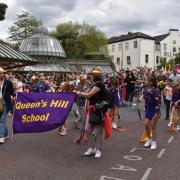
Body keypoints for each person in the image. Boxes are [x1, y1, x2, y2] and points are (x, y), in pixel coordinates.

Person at [75, 67, 108, 158]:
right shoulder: (95, 84)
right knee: (88, 129)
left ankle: (98, 149)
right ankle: (91, 148)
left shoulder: (99, 85)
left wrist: (78, 93)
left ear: (95, 76)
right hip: (91, 109)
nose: (91, 76)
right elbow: (89, 94)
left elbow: (89, 95)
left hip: (98, 110)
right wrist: (84, 91)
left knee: (97, 130)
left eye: (92, 75)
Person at [143, 76, 160, 150]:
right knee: (146, 125)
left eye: (146, 80)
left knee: (153, 126)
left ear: (151, 82)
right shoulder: (145, 89)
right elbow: (146, 100)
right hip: (148, 110)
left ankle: (154, 142)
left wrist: (156, 113)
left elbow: (158, 102)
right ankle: (148, 140)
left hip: (154, 110)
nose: (145, 81)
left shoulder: (156, 90)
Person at [0, 68, 14, 144]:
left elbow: (12, 91)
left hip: (5, 103)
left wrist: (12, 96)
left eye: (1, 73)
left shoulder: (8, 82)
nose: (0, 75)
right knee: (1, 119)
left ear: (4, 74)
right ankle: (5, 134)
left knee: (2, 119)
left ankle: (1, 136)